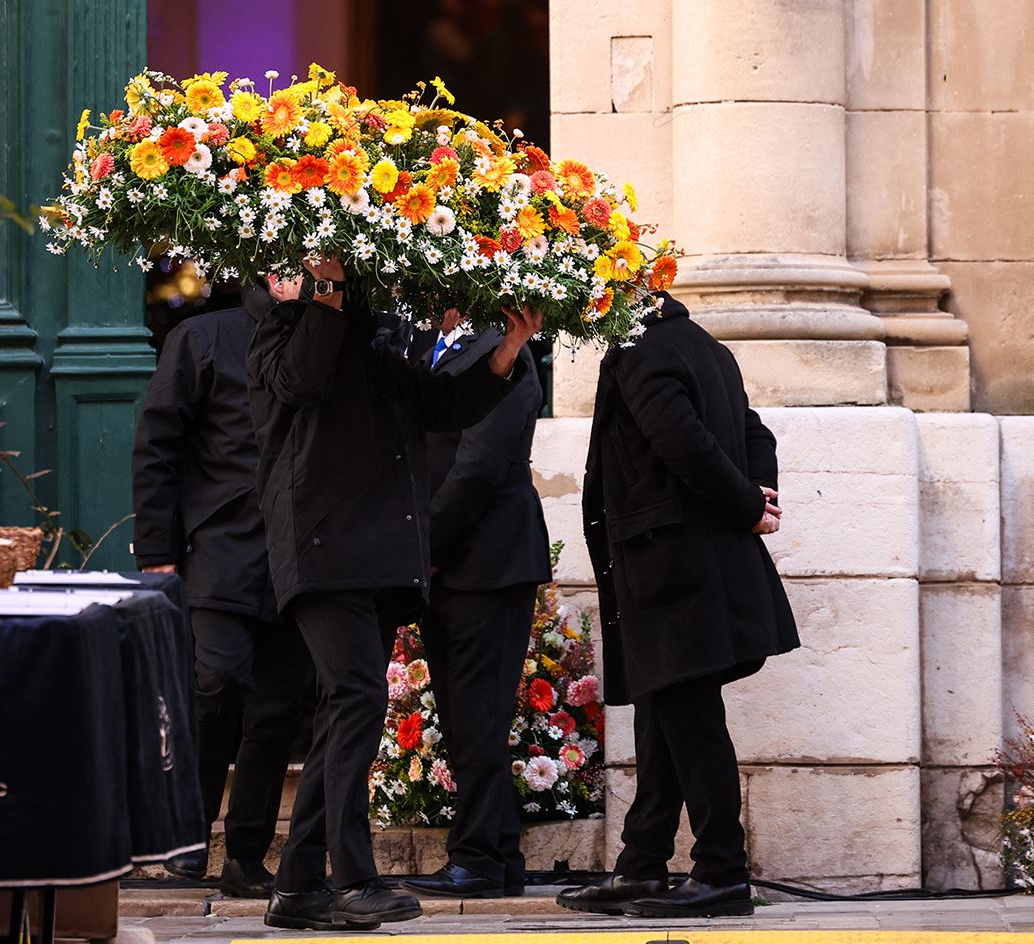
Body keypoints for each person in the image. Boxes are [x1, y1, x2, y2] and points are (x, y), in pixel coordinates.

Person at [247, 259, 543, 931]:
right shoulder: (283, 329)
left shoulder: (379, 337)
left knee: (346, 708)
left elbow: (439, 405)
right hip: (323, 550)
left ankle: (297, 885)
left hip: (377, 556)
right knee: (355, 698)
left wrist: (507, 348)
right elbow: (303, 378)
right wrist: (320, 291)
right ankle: (351, 877)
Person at [557, 292, 799, 919]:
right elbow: (754, 433)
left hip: (670, 567)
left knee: (688, 718)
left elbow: (682, 441)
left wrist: (751, 504)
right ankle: (643, 864)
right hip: (689, 567)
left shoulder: (641, 349)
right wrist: (758, 492)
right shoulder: (707, 348)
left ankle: (722, 870)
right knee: (662, 712)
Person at [131, 282, 313, 899]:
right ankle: (188, 832)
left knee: (277, 709)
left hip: (300, 554)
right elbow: (157, 446)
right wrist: (157, 550)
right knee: (217, 684)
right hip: (219, 550)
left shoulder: (325, 338)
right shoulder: (202, 337)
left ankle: (245, 854)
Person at [398, 309, 552, 900]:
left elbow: (479, 464)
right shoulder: (421, 344)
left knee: (479, 713)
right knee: (465, 714)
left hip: (487, 558)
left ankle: (479, 857)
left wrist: (427, 544)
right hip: (448, 562)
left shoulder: (506, 353)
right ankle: (502, 855)